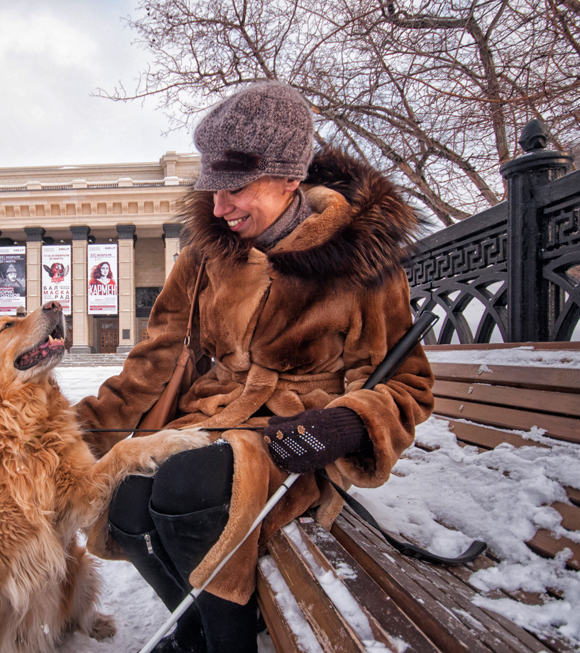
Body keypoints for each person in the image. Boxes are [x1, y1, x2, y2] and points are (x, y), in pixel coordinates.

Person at [74, 82, 434, 652]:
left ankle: (229, 642)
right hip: (210, 420)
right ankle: (195, 629)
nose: (218, 208)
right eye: (211, 189)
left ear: (291, 177)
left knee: (185, 490)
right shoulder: (205, 256)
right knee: (123, 500)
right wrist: (74, 429)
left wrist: (344, 426)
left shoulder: (362, 257)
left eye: (234, 189)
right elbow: (155, 359)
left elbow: (407, 383)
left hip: (298, 441)